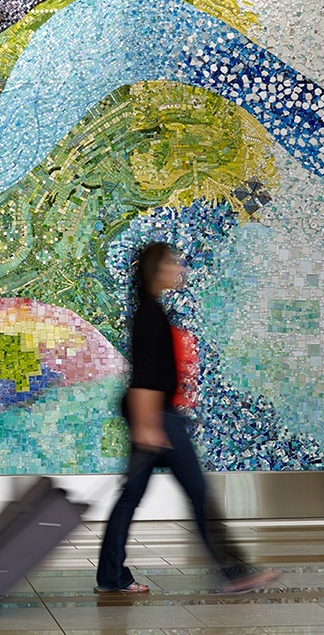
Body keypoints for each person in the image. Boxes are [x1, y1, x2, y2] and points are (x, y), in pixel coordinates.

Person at [95, 242, 277, 594]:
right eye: (172, 263)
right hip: (159, 420)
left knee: (132, 498)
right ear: (156, 270)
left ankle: (111, 577)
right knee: (196, 492)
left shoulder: (151, 311)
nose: (179, 268)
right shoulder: (150, 315)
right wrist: (148, 426)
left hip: (157, 419)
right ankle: (235, 574)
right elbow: (146, 377)